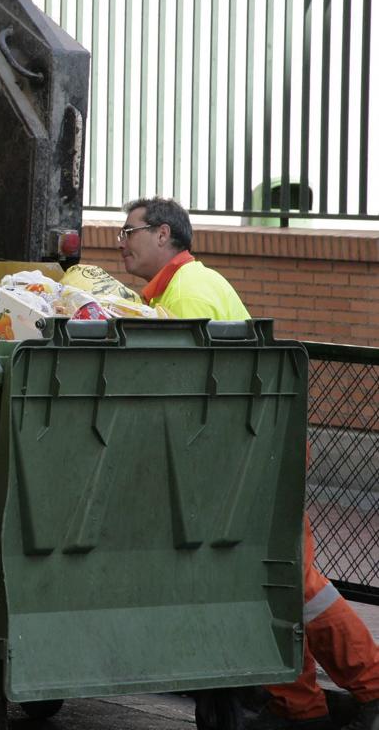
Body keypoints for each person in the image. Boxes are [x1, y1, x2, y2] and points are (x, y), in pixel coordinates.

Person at [119, 197, 379, 730]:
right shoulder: (194, 283)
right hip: (251, 445)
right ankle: (299, 705)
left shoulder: (185, 296)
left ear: (164, 235)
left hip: (252, 452)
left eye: (130, 232)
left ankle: (372, 686)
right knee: (261, 581)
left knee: (293, 581)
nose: (121, 241)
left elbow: (172, 387)